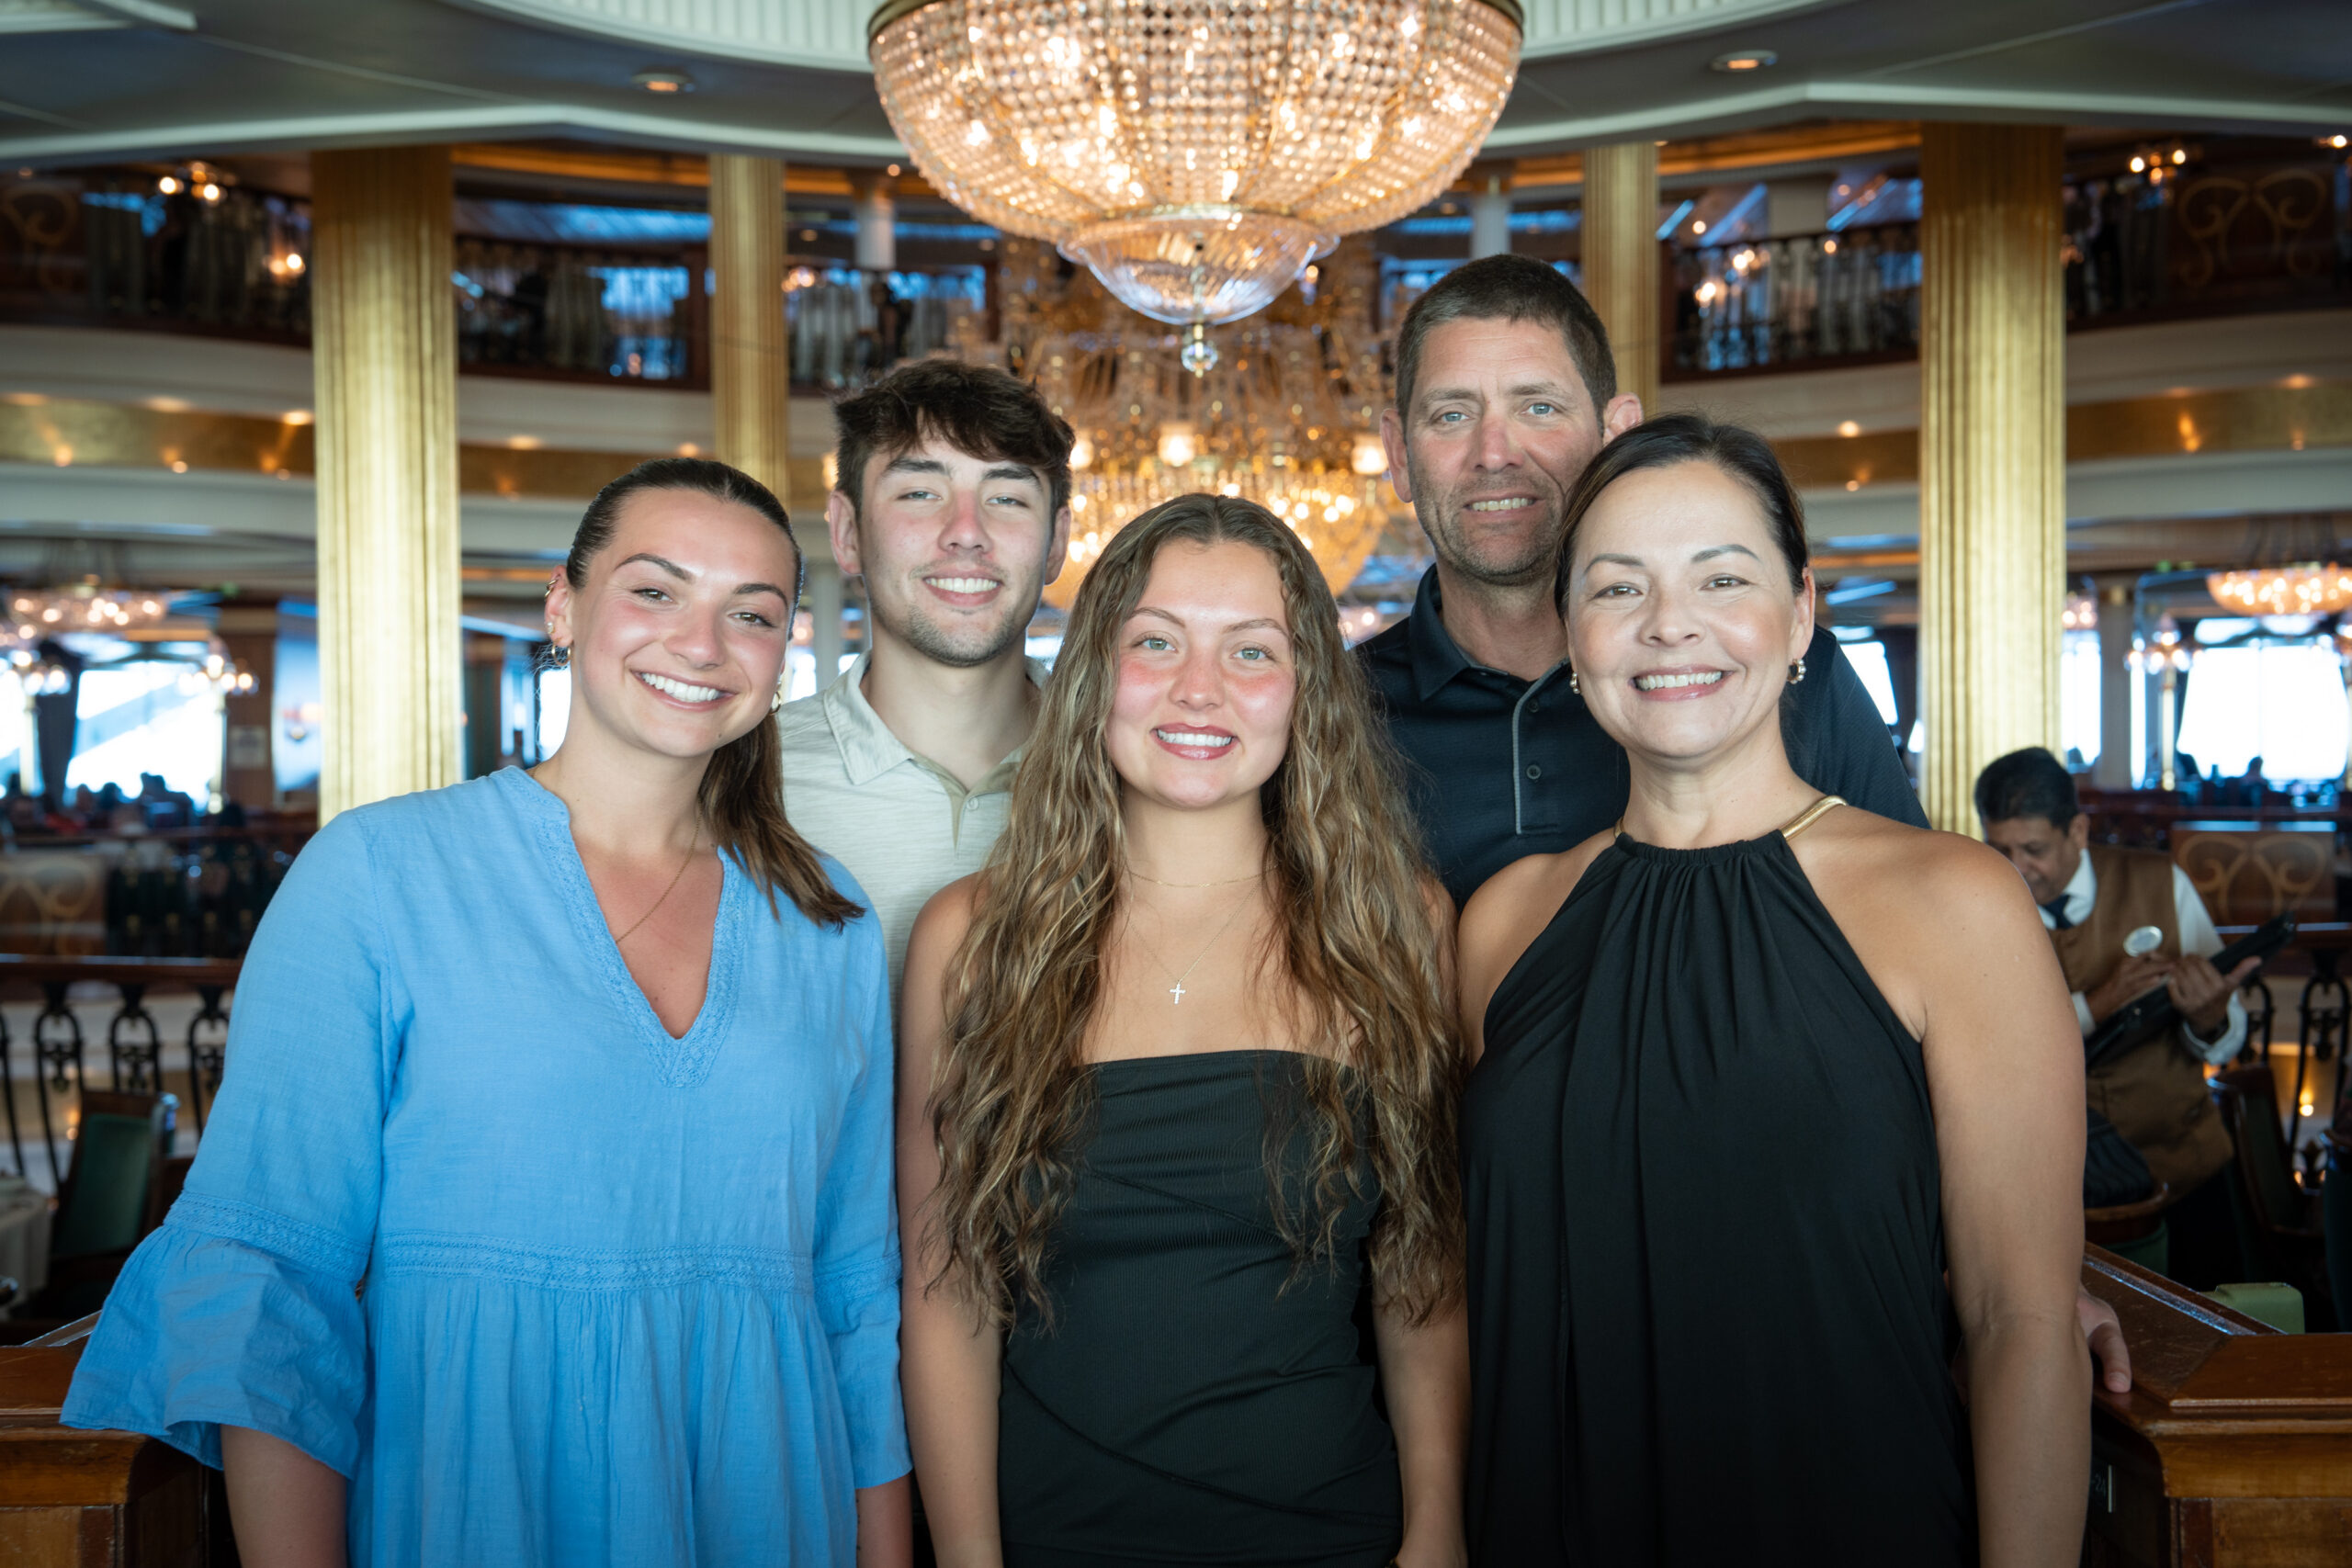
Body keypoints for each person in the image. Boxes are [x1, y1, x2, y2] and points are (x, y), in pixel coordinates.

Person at [63, 458, 912, 1567]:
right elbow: (272, 1285)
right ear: (564, 606)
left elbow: (856, 1300)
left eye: (749, 614)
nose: (701, 643)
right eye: (654, 591)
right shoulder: (377, 874)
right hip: (472, 1495)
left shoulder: (827, 919)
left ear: (780, 652)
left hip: (771, 1500)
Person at [1455, 416, 2090, 1566]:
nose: (1669, 624)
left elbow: (2022, 1323)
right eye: (1618, 587)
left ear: (1799, 614)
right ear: (1569, 630)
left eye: (1722, 578)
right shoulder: (1501, 922)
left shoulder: (1955, 903)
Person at [899, 495, 1467, 1568]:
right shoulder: (969, 941)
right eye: (1155, 642)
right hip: (1051, 1537)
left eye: (1250, 650)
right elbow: (947, 1296)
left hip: (1331, 1535)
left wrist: (1436, 1530)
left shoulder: (1397, 925)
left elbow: (1420, 1271)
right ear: (1093, 674)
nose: (1198, 688)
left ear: (1306, 689)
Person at [1358, 254, 1927, 908]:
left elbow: (1910, 910)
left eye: (1539, 407)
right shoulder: (1336, 707)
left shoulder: (1773, 673)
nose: (1494, 454)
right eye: (1451, 416)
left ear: (1616, 433)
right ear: (1399, 454)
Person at [778, 358, 1071, 998]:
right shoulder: (745, 781)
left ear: (1056, 543)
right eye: (919, 493)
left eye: (1007, 498)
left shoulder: (1129, 770)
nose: (966, 533)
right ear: (848, 532)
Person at [1978, 746, 2256, 1287]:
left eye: (2033, 849)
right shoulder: (1981, 905)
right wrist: (2098, 1003)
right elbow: (1991, 1050)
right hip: (2056, 1190)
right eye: (2000, 849)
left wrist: (2210, 1020)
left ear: (2078, 831)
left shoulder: (2161, 882)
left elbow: (2228, 1030)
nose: (2016, 868)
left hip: (2186, 1167)